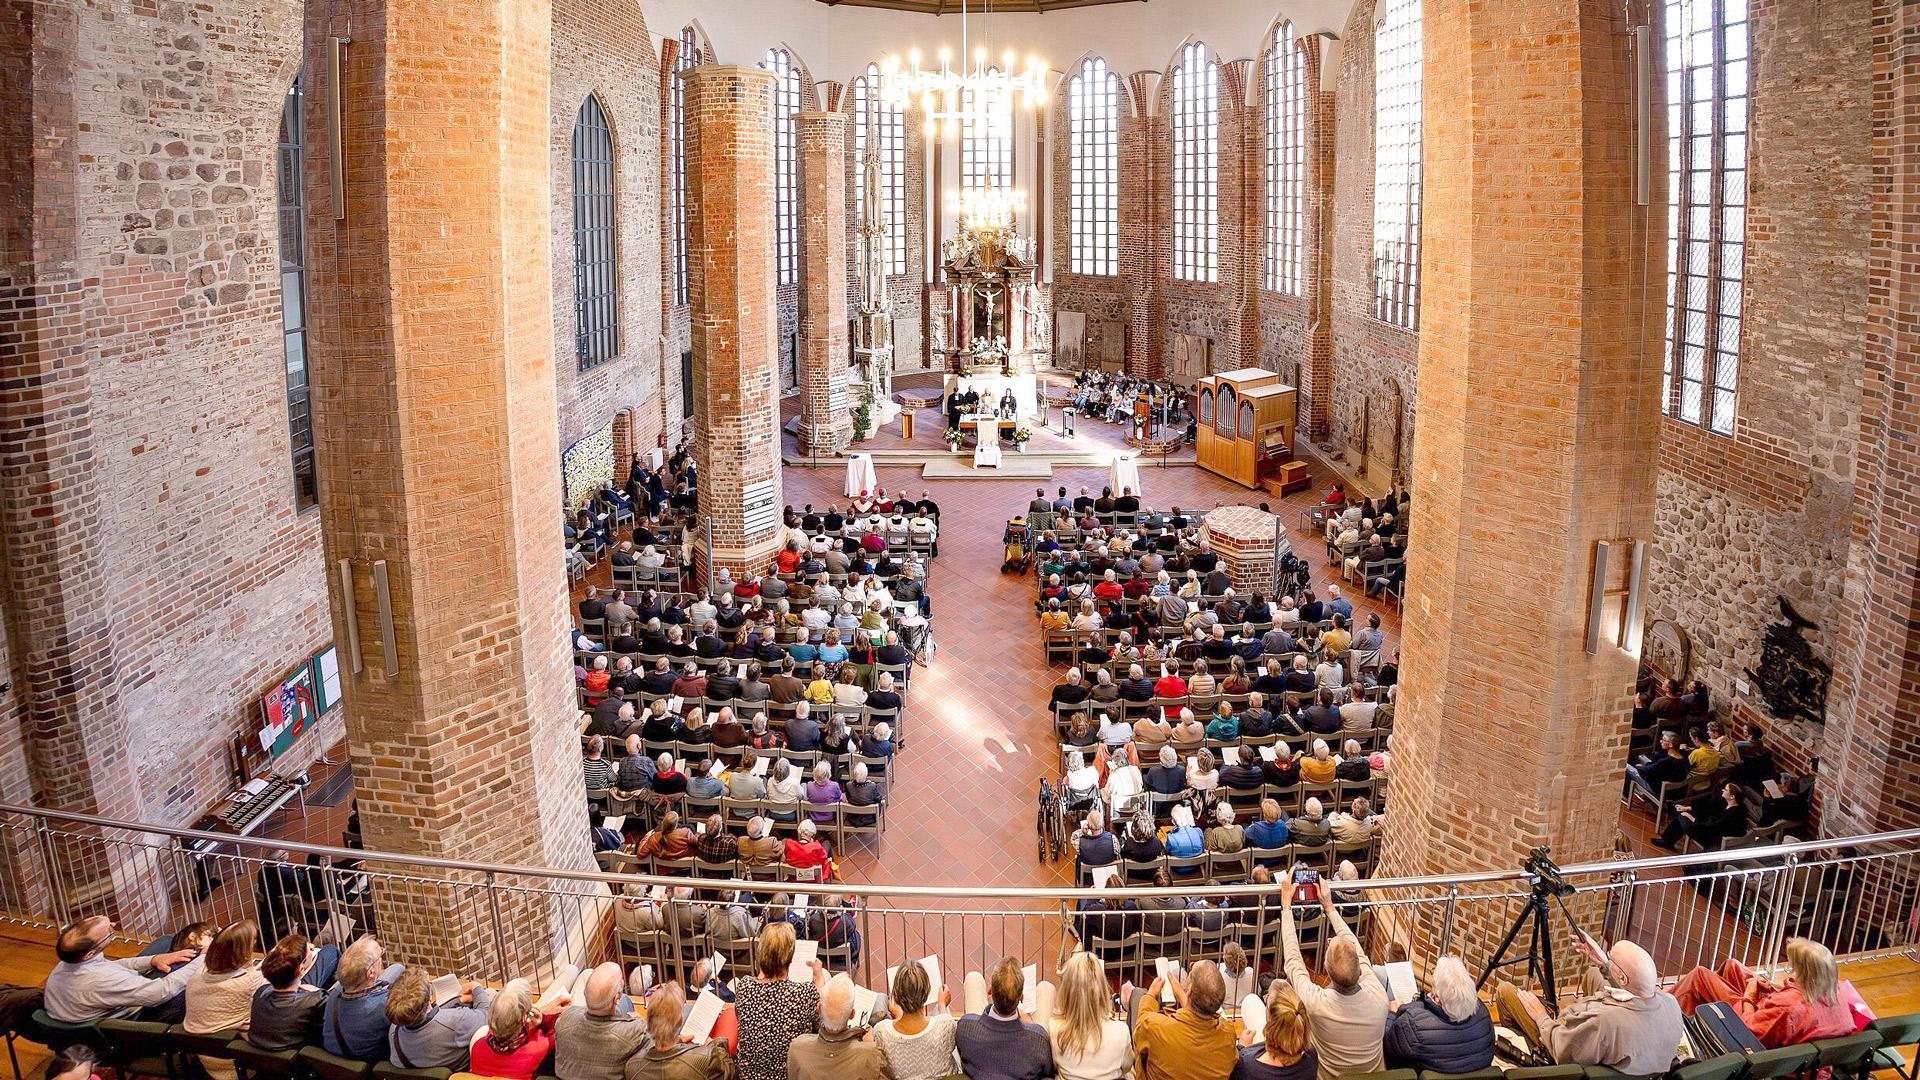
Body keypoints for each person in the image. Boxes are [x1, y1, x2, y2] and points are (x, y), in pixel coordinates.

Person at [1494, 936, 1683, 1077]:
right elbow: (1633, 992)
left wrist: (1540, 1015)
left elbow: (1561, 1048)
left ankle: (1524, 1048)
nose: (1609, 961)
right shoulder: (1671, 1004)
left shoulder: (1603, 1022)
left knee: (1506, 991)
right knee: (1594, 973)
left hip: (1560, 1047)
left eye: (1612, 959)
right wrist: (1605, 964)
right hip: (1637, 1061)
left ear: (1623, 979)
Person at [1279, 885, 1388, 1080]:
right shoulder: (1379, 997)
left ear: (1326, 968)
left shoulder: (1317, 1003)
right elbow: (1357, 952)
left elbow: (1294, 961)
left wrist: (1286, 906)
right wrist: (1329, 907)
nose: (1330, 940)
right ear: (1361, 970)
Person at [1672, 938, 1853, 1048]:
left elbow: (1747, 1029)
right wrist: (1774, 989)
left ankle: (1666, 1017)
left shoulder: (1788, 1005)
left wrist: (1750, 995)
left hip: (1749, 1039)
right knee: (1733, 966)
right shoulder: (1834, 990)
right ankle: (1699, 1020)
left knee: (1700, 976)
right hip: (1797, 1046)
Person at [43, 914, 206, 1023]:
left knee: (166, 941)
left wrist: (154, 960)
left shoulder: (69, 961)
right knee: (197, 986)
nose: (114, 925)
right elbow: (161, 992)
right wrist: (201, 960)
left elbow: (111, 966)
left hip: (114, 999)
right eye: (109, 931)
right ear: (89, 953)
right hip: (126, 1027)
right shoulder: (103, 981)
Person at [735, 923, 826, 1080]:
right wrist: (819, 978)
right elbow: (820, 1024)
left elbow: (740, 1016)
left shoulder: (744, 986)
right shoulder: (804, 993)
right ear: (790, 956)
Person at [184, 921, 268, 1080]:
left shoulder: (196, 977)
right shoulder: (251, 981)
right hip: (242, 1064)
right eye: (253, 943)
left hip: (208, 1061)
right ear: (243, 950)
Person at [1383, 956, 1494, 1073]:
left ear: (1436, 996)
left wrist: (1391, 1013)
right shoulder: (1484, 1016)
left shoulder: (1413, 1023)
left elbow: (1387, 1047)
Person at [1135, 959, 1239, 1080]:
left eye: (1190, 973)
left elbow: (1141, 1026)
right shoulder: (1228, 1034)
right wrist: (1180, 993)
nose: (1190, 965)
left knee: (1137, 994)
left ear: (1189, 992)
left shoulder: (1157, 1028)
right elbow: (1199, 1018)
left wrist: (1151, 995)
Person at [954, 958, 1054, 1080]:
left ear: (990, 991)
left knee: (973, 978)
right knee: (1046, 988)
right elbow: (1048, 1070)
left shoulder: (965, 1026)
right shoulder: (1038, 1039)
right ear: (1021, 998)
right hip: (1028, 1041)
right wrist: (1031, 1027)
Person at [552, 962, 649, 1080]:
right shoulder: (635, 1032)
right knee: (626, 1001)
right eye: (622, 980)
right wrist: (640, 1022)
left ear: (584, 993)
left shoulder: (563, 1020)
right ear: (616, 998)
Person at [1044, 951, 1130, 1080]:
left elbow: (1054, 1067)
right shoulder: (1121, 1031)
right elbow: (1127, 1066)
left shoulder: (1054, 1029)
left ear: (1067, 991)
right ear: (1102, 989)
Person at [386, 965, 492, 1070]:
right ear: (429, 998)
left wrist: (459, 1001)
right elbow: (487, 1015)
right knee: (491, 994)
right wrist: (476, 987)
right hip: (464, 1072)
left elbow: (432, 1016)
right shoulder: (456, 1022)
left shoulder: (394, 1030)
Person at [248, 933, 340, 1050]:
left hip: (261, 1059)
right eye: (310, 950)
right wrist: (315, 992)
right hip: (299, 1061)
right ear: (301, 969)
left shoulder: (260, 993)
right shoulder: (318, 1000)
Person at [872, 955, 959, 1080]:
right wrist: (942, 1005)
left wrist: (898, 1016)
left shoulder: (881, 1031)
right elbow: (945, 1025)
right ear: (927, 992)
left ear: (896, 995)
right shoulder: (947, 1026)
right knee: (939, 1012)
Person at [787, 974, 889, 1080]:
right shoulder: (870, 1054)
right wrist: (869, 1045)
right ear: (852, 1014)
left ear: (819, 1009)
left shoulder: (797, 1048)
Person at [627, 982, 735, 1080]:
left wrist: (678, 1041)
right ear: (679, 1021)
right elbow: (729, 1070)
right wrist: (714, 1044)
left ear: (648, 1020)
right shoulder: (706, 1058)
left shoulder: (632, 1067)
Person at [323, 936, 407, 1061]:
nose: (382, 960)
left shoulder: (333, 996)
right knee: (400, 969)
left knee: (397, 968)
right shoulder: (384, 1004)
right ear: (370, 973)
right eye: (381, 957)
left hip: (331, 1060)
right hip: (366, 1063)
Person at [469, 979, 563, 1080]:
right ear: (524, 1019)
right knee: (575, 974)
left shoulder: (477, 1046)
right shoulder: (538, 1047)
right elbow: (563, 1028)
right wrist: (543, 1017)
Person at [1232, 982, 1319, 1080]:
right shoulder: (1311, 1056)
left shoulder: (1246, 1065)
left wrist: (1241, 1047)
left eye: (1266, 1001)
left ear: (1270, 1020)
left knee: (1250, 1000)